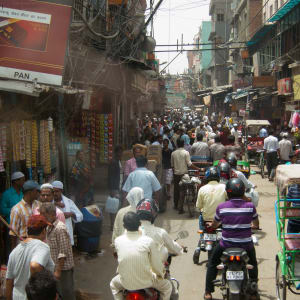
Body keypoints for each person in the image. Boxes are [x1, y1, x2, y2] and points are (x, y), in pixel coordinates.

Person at [204, 178, 259, 300]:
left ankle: (208, 292)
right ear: (243, 192)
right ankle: (254, 291)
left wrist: (211, 226)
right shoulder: (250, 207)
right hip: (246, 245)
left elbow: (215, 224)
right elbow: (256, 224)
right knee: (253, 263)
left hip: (226, 245)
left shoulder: (222, 207)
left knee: (212, 263)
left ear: (228, 193)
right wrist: (252, 226)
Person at [110, 212, 172, 300]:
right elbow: (156, 265)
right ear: (139, 224)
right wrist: (162, 274)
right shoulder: (148, 241)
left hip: (125, 282)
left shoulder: (118, 241)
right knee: (167, 287)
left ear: (124, 226)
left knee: (113, 285)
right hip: (147, 282)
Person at [6, 215, 55, 300]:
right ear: (43, 231)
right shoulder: (42, 247)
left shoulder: (14, 251)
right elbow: (34, 266)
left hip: (16, 296)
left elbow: (9, 281)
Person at [40, 203, 75, 300]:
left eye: (43, 214)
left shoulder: (60, 228)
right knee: (58, 293)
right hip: (55, 267)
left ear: (52, 214)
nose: (42, 217)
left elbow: (63, 252)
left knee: (66, 292)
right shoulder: (49, 227)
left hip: (63, 269)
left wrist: (58, 271)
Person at [136, 199, 182, 263]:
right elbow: (173, 247)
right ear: (154, 214)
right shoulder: (161, 232)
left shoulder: (128, 232)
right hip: (152, 269)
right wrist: (181, 249)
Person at [196, 167, 227, 249]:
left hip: (206, 219)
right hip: (221, 219)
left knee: (200, 216)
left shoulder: (202, 189)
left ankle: (202, 237)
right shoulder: (224, 187)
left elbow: (198, 206)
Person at [171, 138, 200, 214]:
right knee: (183, 190)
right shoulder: (186, 153)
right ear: (183, 144)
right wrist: (198, 168)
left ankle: (176, 205)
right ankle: (181, 208)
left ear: (177, 144)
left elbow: (172, 166)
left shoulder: (173, 153)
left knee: (176, 190)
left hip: (176, 174)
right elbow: (189, 164)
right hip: (184, 174)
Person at [0, 171, 25, 261]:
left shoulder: (23, 193)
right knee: (10, 246)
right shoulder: (7, 194)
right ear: (16, 181)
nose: (24, 182)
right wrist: (16, 210)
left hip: (22, 226)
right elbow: (2, 209)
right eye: (22, 180)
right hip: (10, 225)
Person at [9, 180, 40, 250]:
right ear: (30, 193)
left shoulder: (39, 205)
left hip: (37, 243)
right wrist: (14, 251)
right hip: (23, 245)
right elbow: (13, 233)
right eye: (36, 191)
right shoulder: (16, 209)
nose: (38, 193)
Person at [52, 180, 83, 246]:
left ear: (61, 191)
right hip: (53, 236)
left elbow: (80, 216)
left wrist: (71, 214)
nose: (54, 193)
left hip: (65, 235)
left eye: (57, 191)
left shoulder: (68, 202)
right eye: (53, 191)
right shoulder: (49, 202)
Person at [108, 145, 124, 229]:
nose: (121, 154)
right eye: (120, 152)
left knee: (116, 205)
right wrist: (112, 189)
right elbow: (110, 176)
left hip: (118, 186)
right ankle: (112, 224)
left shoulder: (118, 161)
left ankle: (115, 224)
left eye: (121, 152)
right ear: (116, 153)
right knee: (113, 206)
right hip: (115, 188)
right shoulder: (113, 162)